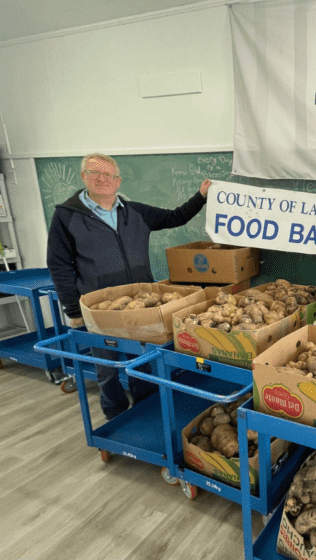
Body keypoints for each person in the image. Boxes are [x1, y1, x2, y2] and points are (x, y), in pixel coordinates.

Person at [46, 152, 211, 420]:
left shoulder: (134, 212)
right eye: (95, 173)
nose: (102, 179)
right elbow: (59, 264)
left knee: (142, 364)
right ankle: (116, 418)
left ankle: (145, 414)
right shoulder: (67, 217)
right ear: (83, 177)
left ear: (118, 181)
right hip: (101, 310)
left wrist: (200, 196)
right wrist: (72, 310)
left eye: (108, 175)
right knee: (107, 367)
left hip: (141, 305)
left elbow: (176, 217)